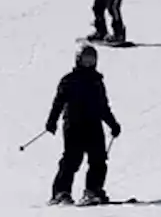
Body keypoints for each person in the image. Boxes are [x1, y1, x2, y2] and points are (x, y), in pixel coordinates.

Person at [46, 44, 122, 206]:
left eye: (91, 60)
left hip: (94, 124)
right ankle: (61, 192)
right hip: (74, 125)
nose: (88, 63)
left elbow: (103, 106)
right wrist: (52, 121)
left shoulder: (97, 81)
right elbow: (58, 103)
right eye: (85, 59)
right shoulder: (69, 80)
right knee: (72, 159)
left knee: (98, 159)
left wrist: (112, 124)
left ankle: (93, 190)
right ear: (78, 60)